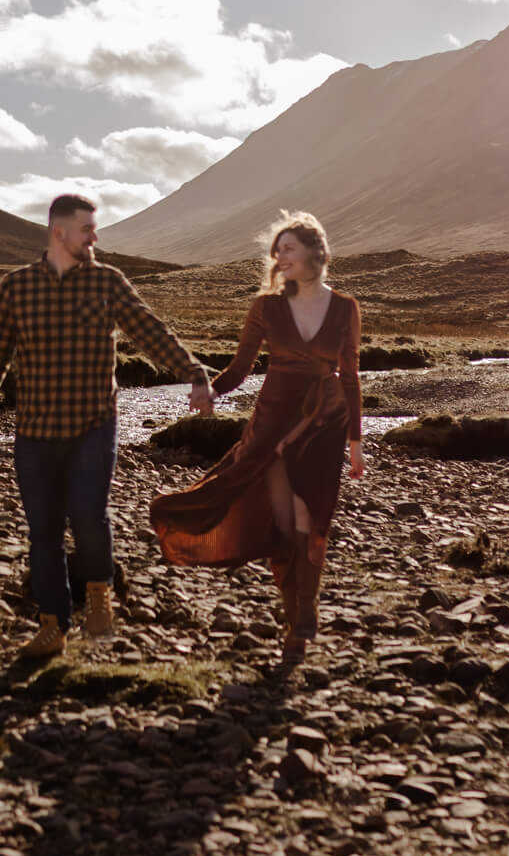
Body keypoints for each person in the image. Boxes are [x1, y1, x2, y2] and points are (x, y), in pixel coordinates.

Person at [0, 193, 214, 659]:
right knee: (42, 532)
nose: (95, 237)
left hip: (94, 425)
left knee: (88, 515)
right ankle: (52, 627)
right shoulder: (17, 287)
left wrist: (193, 373)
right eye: (87, 229)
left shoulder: (107, 281)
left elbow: (150, 331)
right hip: (36, 432)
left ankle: (100, 594)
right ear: (59, 232)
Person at [150, 211, 364, 658]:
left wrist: (356, 442)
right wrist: (210, 390)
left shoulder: (345, 307)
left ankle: (304, 614)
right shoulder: (266, 307)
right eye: (276, 250)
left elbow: (350, 376)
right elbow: (241, 368)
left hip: (325, 424)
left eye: (287, 248)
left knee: (313, 519)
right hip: (273, 423)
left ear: (314, 252)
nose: (278, 257)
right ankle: (298, 617)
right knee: (286, 522)